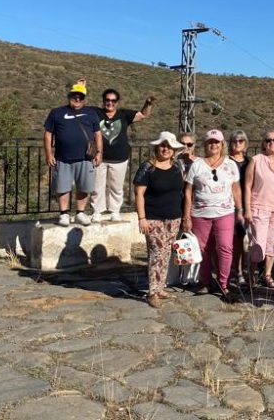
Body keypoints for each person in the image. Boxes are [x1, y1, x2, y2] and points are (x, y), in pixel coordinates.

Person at [182, 129, 242, 302]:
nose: (213, 145)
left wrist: (241, 210)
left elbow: (236, 189)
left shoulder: (230, 164)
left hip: (225, 212)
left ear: (222, 144)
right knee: (203, 249)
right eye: (210, 142)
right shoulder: (197, 164)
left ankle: (224, 284)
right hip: (200, 213)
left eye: (216, 142)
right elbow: (188, 192)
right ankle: (206, 282)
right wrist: (186, 217)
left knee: (225, 247)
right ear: (205, 144)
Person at [133, 131, 186, 308]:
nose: (166, 149)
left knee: (165, 253)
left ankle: (160, 286)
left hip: (174, 217)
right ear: (157, 147)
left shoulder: (178, 167)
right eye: (163, 145)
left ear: (174, 150)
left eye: (169, 146)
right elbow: (139, 193)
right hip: (153, 218)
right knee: (157, 253)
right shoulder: (147, 167)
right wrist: (142, 218)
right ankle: (153, 291)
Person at [90, 88, 154, 222]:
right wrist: (81, 88)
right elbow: (79, 108)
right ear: (103, 101)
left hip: (120, 158)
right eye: (107, 100)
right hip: (99, 157)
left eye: (113, 100)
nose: (110, 103)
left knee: (116, 187)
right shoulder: (96, 113)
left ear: (117, 102)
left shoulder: (123, 114)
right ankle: (97, 212)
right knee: (97, 186)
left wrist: (148, 104)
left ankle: (115, 211)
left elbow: (143, 115)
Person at [44, 80, 103, 227]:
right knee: (62, 186)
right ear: (69, 96)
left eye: (80, 97)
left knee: (84, 186)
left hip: (85, 157)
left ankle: (80, 213)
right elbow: (48, 134)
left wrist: (99, 153)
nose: (77, 99)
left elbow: (98, 134)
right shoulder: (57, 112)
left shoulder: (91, 113)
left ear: (84, 99)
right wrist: (48, 154)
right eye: (74, 96)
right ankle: (64, 214)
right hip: (63, 158)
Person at [243, 129, 274, 290]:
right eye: (268, 140)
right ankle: (250, 276)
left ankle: (267, 275)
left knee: (273, 244)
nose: (272, 143)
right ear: (263, 143)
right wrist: (247, 209)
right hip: (259, 207)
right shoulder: (256, 160)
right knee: (257, 245)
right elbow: (247, 186)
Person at [228, 130, 251, 288]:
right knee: (229, 241)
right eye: (235, 141)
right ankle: (231, 271)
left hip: (246, 204)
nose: (238, 143)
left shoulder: (250, 161)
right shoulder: (225, 161)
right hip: (228, 205)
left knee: (241, 240)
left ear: (245, 144)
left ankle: (240, 271)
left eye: (241, 141)